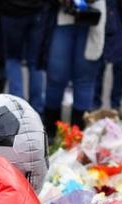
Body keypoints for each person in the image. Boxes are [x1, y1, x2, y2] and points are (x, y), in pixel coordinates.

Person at [43, 0, 107, 133]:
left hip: (92, 18)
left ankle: (77, 136)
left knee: (84, 80)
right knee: (56, 76)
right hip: (63, 17)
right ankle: (50, 132)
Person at [0, 0, 51, 115]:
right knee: (35, 62)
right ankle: (37, 109)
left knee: (13, 59)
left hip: (11, 10)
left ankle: (18, 109)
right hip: (37, 10)